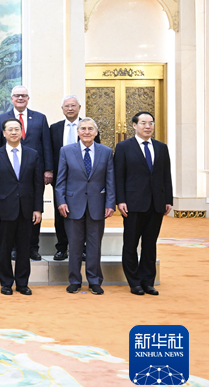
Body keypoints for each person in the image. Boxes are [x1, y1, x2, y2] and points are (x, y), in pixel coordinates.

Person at [0, 85, 52, 261]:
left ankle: (32, 247)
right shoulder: (1, 119)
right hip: (9, 175)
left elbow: (46, 144)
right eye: (17, 95)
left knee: (32, 209)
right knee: (10, 210)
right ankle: (12, 248)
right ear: (11, 98)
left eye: (23, 95)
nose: (20, 98)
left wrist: (48, 169)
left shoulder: (40, 118)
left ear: (28, 98)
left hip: (33, 173)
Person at [114, 111, 173, 296]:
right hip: (132, 203)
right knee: (130, 244)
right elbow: (118, 176)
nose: (148, 126)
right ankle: (134, 282)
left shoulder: (161, 147)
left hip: (156, 203)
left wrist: (168, 199)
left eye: (151, 123)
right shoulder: (124, 147)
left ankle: (148, 282)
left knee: (150, 244)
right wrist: (120, 200)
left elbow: (166, 176)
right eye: (143, 123)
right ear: (134, 125)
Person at [55, 118, 114, 295]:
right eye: (83, 129)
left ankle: (94, 281)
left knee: (94, 246)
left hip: (97, 205)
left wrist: (110, 203)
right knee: (74, 245)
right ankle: (74, 281)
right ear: (78, 132)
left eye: (90, 129)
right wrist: (61, 201)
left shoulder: (106, 152)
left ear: (96, 132)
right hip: (73, 205)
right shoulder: (66, 151)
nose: (86, 132)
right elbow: (60, 180)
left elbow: (110, 180)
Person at [0, 118, 44, 296]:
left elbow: (38, 185)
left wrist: (38, 209)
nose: (13, 132)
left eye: (17, 129)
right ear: (4, 133)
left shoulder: (32, 154)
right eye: (10, 129)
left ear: (21, 132)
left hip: (27, 209)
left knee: (24, 248)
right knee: (5, 248)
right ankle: (6, 283)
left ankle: (22, 283)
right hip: (4, 209)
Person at [49, 95, 100, 261]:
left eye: (73, 105)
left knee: (84, 213)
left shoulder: (88, 127)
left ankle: (82, 248)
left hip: (84, 179)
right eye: (67, 106)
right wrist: (49, 171)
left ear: (79, 107)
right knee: (61, 212)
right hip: (61, 177)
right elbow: (49, 151)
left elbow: (96, 152)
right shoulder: (54, 128)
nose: (70, 108)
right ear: (62, 109)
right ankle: (62, 247)